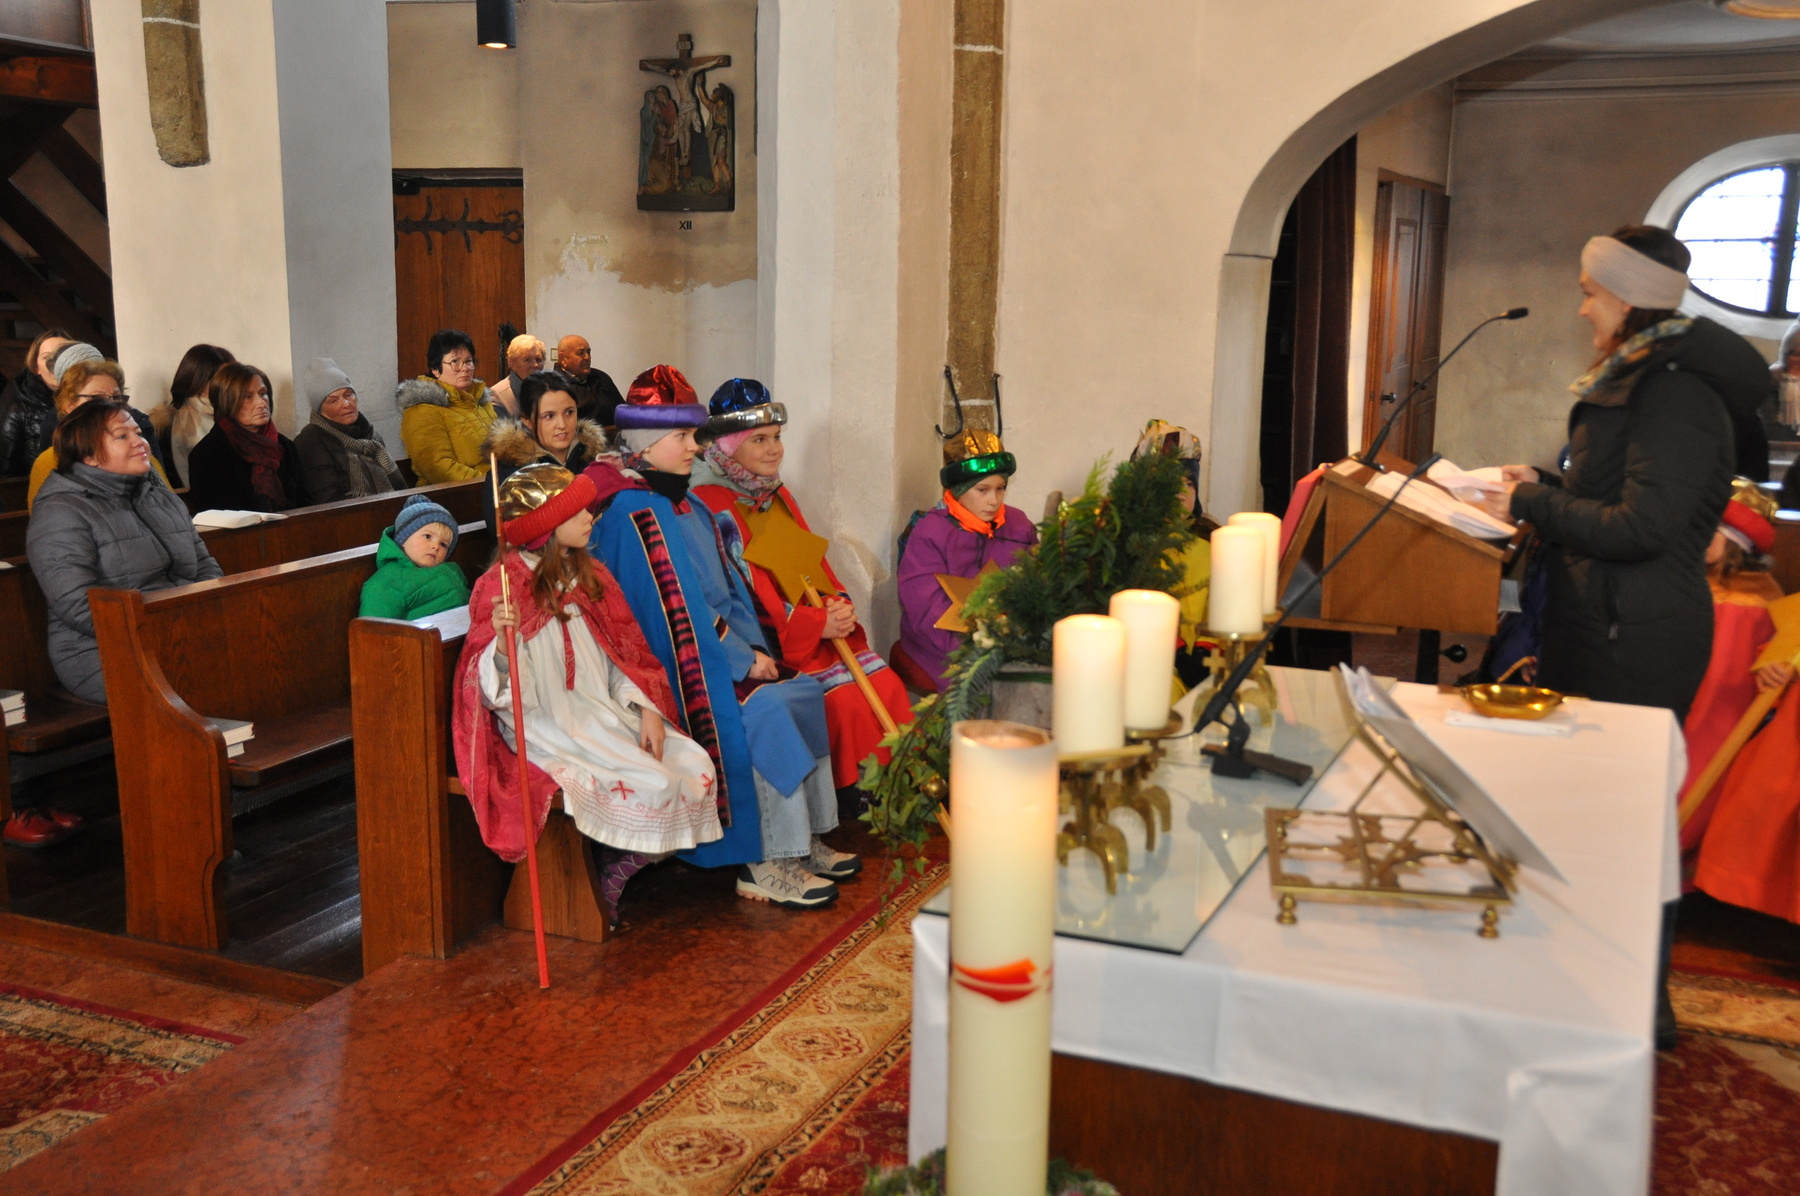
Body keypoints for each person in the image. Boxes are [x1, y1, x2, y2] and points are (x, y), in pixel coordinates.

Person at [586, 366, 855, 909]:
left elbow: (733, 590)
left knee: (803, 691)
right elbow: (672, 610)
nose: (696, 447)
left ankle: (801, 841)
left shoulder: (689, 502)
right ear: (645, 443)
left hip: (719, 649)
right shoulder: (634, 511)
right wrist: (740, 660)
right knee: (767, 711)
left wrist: (761, 651)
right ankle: (764, 860)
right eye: (683, 436)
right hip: (678, 668)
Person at [1478, 226, 1734, 720]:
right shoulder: (1645, 378)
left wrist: (1531, 501)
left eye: (1589, 293)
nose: (1583, 310)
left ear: (1626, 298)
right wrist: (1541, 483)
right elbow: (1616, 497)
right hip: (1604, 621)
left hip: (1633, 640)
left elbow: (1641, 528)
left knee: (1611, 767)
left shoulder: (1673, 395)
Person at [454, 463, 724, 924]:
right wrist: (502, 644)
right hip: (547, 724)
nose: (590, 517)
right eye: (576, 511)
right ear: (543, 527)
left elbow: (624, 655)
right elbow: (488, 691)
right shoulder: (500, 586)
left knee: (695, 766)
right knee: (655, 784)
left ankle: (618, 861)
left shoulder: (590, 575)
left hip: (604, 710)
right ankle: (610, 870)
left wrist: (647, 709)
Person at [690, 378, 914, 800]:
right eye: (759, 439)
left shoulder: (774, 494)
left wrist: (838, 605)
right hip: (776, 641)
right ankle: (853, 795)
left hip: (814, 625)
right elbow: (743, 593)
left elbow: (812, 563)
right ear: (728, 446)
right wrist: (815, 624)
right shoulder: (711, 503)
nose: (774, 449)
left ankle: (898, 787)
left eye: (776, 437)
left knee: (887, 684)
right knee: (844, 699)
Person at [26, 398, 222, 705]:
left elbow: (205, 565)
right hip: (100, 651)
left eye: (138, 433)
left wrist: (200, 618)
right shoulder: (60, 512)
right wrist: (171, 630)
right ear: (89, 455)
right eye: (122, 435)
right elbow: (79, 606)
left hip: (183, 632)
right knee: (215, 672)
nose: (139, 442)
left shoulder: (160, 497)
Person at [1677, 479, 1787, 866]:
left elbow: (1768, 659)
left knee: (1696, 787)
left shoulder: (1755, 598)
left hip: (1716, 712)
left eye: (1711, 530)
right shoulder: (1688, 581)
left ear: (1736, 541)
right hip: (1682, 700)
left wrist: (1773, 671)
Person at [896, 427, 1039, 690]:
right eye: (982, 490)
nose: (994, 500)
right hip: (942, 644)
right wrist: (976, 646)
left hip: (1009, 637)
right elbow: (925, 607)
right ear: (959, 490)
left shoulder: (1019, 525)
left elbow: (1035, 583)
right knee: (988, 689)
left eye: (1000, 488)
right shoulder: (931, 532)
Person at [1131, 419, 1213, 690]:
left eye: (1188, 483)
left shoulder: (1212, 547)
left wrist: (1206, 650)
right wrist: (1176, 653)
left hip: (1206, 665)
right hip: (1152, 663)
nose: (1181, 493)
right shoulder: (1132, 545)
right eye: (1169, 483)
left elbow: (1223, 608)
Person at [26, 359, 172, 509]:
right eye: (97, 398)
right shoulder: (50, 461)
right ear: (69, 406)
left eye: (116, 397)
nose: (111, 405)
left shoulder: (139, 452)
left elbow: (171, 504)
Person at [482, 371, 607, 530]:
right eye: (549, 416)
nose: (562, 424)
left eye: (569, 412)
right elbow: (504, 535)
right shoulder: (508, 474)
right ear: (527, 420)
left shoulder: (593, 460)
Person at [185, 363, 310, 512]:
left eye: (263, 393)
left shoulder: (285, 446)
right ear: (227, 402)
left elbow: (305, 504)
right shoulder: (207, 455)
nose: (261, 403)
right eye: (248, 397)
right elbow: (215, 517)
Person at [292, 358, 404, 503]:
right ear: (320, 409)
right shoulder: (311, 441)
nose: (346, 404)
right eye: (333, 400)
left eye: (348, 395)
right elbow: (327, 501)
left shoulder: (370, 435)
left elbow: (399, 489)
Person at [397, 329, 497, 484]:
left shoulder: (479, 402)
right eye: (455, 362)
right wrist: (489, 483)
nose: (464, 368)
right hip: (461, 492)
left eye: (468, 361)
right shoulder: (422, 411)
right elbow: (437, 466)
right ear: (436, 369)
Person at [358, 495, 471, 621]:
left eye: (443, 544)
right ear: (404, 539)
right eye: (427, 536)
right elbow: (374, 627)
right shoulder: (388, 581)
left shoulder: (453, 570)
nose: (436, 546)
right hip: (427, 632)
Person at [0, 328, 72, 477]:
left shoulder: (88, 399)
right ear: (36, 367)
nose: (55, 363)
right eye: (47, 357)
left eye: (62, 355)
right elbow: (5, 471)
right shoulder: (17, 407)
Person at [166, 343, 236, 489]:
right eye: (219, 379)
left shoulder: (242, 414)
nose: (228, 386)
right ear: (197, 381)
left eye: (231, 379)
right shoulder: (177, 426)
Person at [553, 334, 625, 428]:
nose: (587, 357)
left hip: (615, 435)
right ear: (563, 359)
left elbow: (623, 410)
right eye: (581, 353)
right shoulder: (554, 386)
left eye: (588, 352)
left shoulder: (600, 377)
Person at [486, 334, 546, 420]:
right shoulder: (497, 397)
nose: (535, 365)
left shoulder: (548, 390)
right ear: (513, 364)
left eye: (538, 359)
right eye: (527, 360)